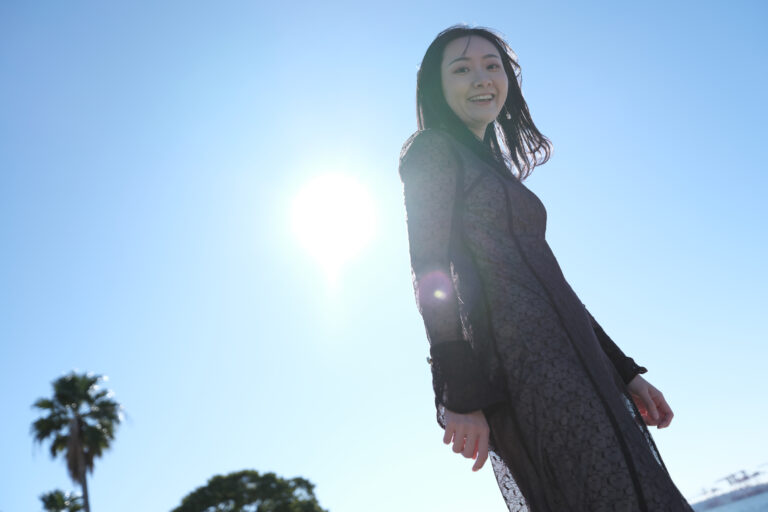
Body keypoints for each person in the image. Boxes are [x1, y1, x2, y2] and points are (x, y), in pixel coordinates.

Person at [398, 25, 694, 511]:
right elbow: (429, 268)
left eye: (492, 66)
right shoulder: (433, 150)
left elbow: (554, 287)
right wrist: (460, 391)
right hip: (524, 371)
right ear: (437, 86)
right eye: (462, 69)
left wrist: (625, 372)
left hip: (582, 365)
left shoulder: (491, 168)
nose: (482, 78)